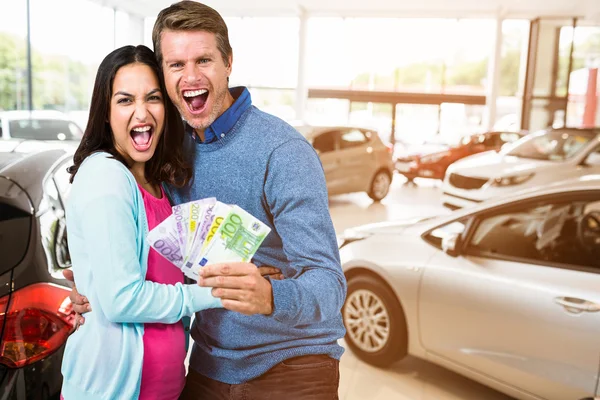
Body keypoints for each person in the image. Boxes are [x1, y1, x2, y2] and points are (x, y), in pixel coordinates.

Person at [70, 2, 347, 399]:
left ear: (228, 62)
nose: (192, 76)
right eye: (176, 64)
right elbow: (164, 249)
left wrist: (271, 297)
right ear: (164, 75)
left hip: (291, 363)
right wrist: (95, 279)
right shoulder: (167, 150)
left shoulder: (283, 152)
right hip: (207, 365)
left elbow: (330, 286)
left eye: (204, 59)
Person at [61, 44, 227, 400]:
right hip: (113, 389)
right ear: (105, 113)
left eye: (152, 98)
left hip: (162, 385)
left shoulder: (157, 181)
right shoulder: (107, 176)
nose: (142, 112)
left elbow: (156, 274)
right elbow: (122, 300)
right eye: (124, 100)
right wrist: (215, 294)